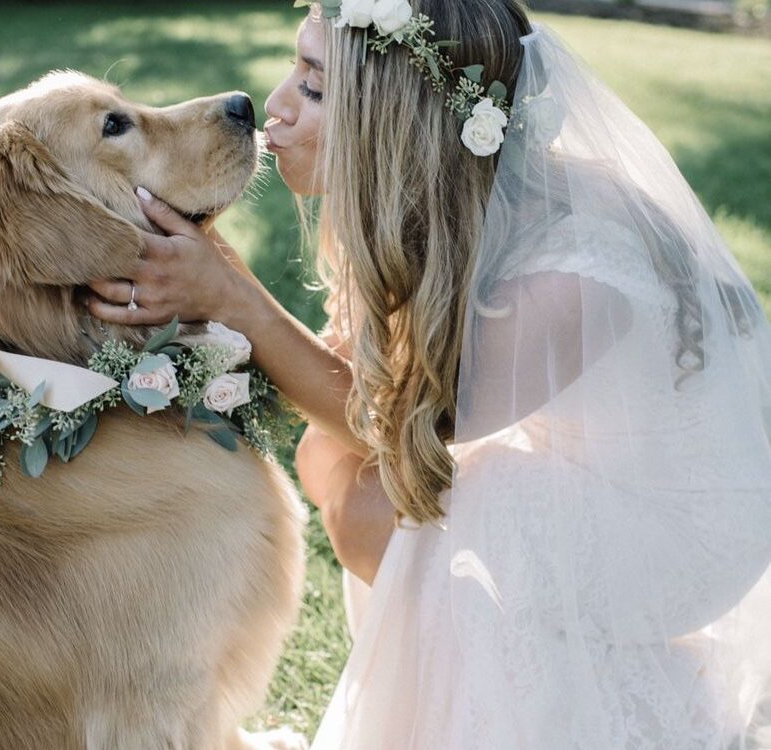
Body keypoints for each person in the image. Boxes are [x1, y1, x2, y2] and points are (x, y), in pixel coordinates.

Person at [87, 1, 771, 747]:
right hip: (593, 470)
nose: (276, 106)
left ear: (400, 120)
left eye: (315, 87)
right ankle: (597, 673)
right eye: (296, 67)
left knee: (392, 510)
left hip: (687, 531)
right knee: (343, 466)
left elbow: (399, 427)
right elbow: (357, 390)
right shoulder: (437, 204)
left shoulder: (581, 271)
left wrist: (233, 298)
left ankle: (638, 697)